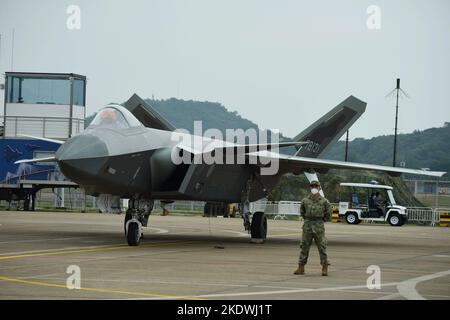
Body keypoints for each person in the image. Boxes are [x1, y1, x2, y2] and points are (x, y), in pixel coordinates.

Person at [294, 180, 332, 276]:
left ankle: (324, 267)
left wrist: (321, 220)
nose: (314, 188)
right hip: (307, 225)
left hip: (319, 225)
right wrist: (308, 219)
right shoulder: (305, 200)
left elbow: (328, 213)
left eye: (316, 186)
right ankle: (301, 267)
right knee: (304, 246)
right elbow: (302, 212)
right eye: (312, 186)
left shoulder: (324, 201)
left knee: (322, 246)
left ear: (319, 188)